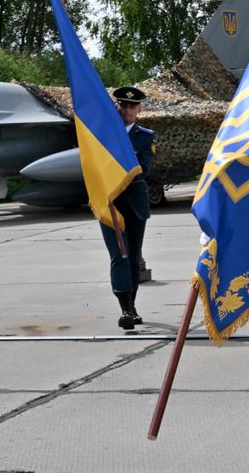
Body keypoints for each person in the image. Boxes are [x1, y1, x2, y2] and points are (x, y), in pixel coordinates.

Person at [101, 86, 155, 331]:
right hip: (111, 201)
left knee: (133, 256)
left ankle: (132, 307)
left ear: (139, 109)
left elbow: (143, 166)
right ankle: (125, 309)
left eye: (132, 106)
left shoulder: (145, 136)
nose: (127, 110)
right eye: (123, 106)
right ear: (117, 107)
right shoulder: (103, 135)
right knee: (118, 255)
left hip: (134, 201)